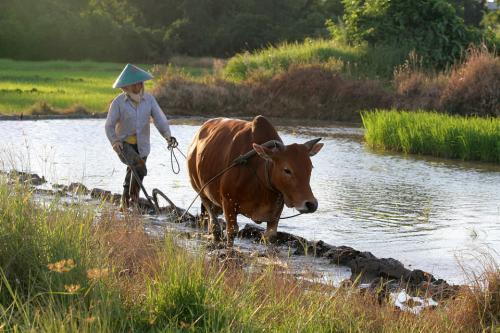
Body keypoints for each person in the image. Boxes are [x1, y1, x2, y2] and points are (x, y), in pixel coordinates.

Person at [105, 64, 176, 209]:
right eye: (135, 83)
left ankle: (125, 205)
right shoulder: (118, 103)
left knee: (135, 173)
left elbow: (159, 119)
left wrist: (168, 136)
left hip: (142, 145)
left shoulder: (149, 100)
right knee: (140, 167)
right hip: (124, 144)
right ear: (127, 86)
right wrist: (114, 141)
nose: (139, 85)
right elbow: (109, 125)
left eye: (140, 82)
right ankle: (133, 201)